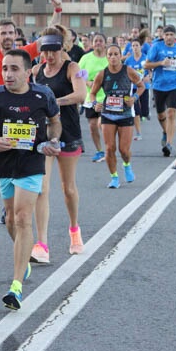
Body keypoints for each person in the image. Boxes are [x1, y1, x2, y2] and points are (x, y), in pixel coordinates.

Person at [0, 49, 62, 311]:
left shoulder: (43, 95)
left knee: (22, 218)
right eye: (5, 68)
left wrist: (53, 140)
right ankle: (24, 256)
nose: (8, 74)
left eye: (14, 69)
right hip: (5, 163)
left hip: (32, 161)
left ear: (28, 71)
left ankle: (16, 286)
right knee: (11, 219)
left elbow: (55, 121)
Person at [31, 27, 87, 262]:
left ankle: (74, 230)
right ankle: (41, 244)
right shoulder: (36, 70)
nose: (50, 56)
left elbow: (81, 95)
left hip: (68, 132)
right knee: (42, 188)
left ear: (62, 47)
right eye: (46, 51)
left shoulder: (72, 68)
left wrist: (53, 102)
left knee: (68, 188)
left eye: (54, 50)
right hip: (44, 135)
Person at [89, 44, 146, 189]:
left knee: (124, 150)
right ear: (107, 57)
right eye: (110, 55)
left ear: (120, 56)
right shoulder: (102, 74)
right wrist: (95, 103)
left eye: (116, 54)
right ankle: (114, 177)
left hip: (125, 114)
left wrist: (133, 98)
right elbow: (92, 93)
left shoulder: (129, 71)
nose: (113, 57)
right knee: (109, 148)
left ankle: (126, 164)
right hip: (108, 113)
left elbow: (141, 86)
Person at [143, 25, 176, 156]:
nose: (169, 37)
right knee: (161, 115)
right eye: (166, 35)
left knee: (171, 113)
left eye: (171, 35)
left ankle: (169, 143)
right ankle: (165, 131)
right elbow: (146, 64)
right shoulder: (156, 47)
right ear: (163, 36)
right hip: (158, 85)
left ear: (175, 36)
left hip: (174, 85)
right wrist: (161, 63)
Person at [78, 33, 109, 163]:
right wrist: (87, 82)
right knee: (92, 125)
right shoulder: (86, 58)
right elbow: (79, 74)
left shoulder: (109, 58)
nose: (98, 43)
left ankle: (109, 149)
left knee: (101, 123)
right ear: (92, 43)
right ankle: (99, 150)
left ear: (105, 43)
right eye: (96, 41)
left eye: (100, 41)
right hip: (91, 96)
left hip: (106, 96)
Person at [125, 39, 150, 141]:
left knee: (144, 111)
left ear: (141, 47)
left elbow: (150, 72)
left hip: (144, 87)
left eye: (137, 45)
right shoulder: (128, 60)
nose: (135, 48)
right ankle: (138, 133)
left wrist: (148, 77)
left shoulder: (145, 58)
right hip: (133, 88)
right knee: (136, 111)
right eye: (133, 46)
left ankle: (146, 113)